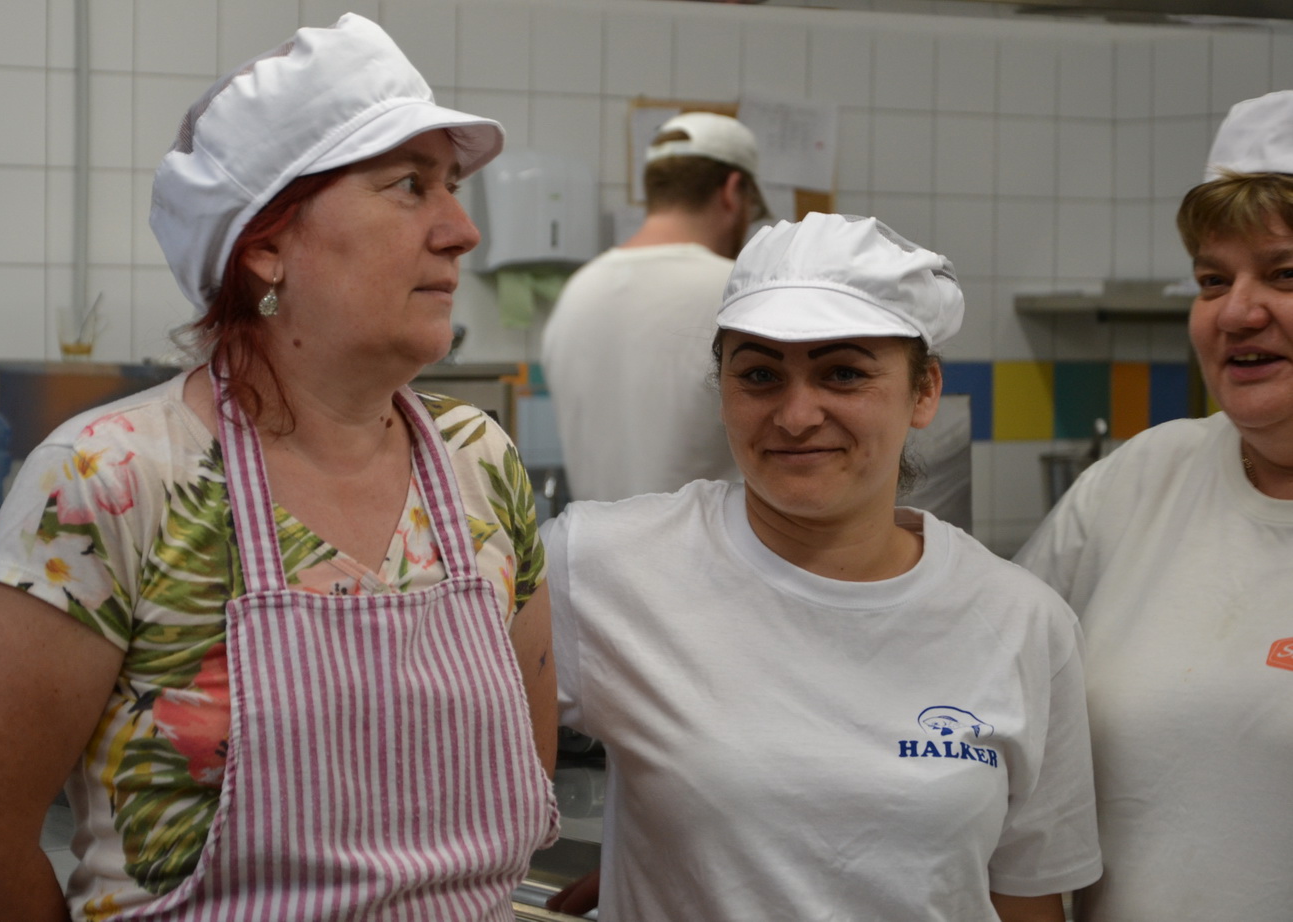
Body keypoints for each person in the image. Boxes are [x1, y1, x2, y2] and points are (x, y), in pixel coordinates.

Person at [0, 14, 558, 920]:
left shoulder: (478, 461)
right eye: (410, 186)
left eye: (452, 187)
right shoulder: (113, 477)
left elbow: (524, 779)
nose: (461, 230)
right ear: (266, 245)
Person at [546, 213, 1101, 921]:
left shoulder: (1024, 624)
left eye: (843, 373)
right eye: (760, 375)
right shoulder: (602, 566)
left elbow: (1026, 901)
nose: (797, 415)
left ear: (924, 391)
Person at [1014, 89, 1293, 922]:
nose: (1236, 311)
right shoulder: (1137, 481)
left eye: (1285, 273)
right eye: (1213, 279)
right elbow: (987, 694)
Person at [540, 111, 767, 502]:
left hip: (597, 537)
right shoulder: (738, 292)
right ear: (733, 191)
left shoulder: (577, 293)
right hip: (713, 541)